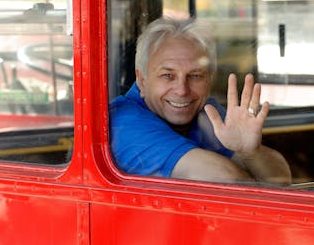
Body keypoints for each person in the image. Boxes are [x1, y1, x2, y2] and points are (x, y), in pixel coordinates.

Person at [110, 17, 291, 186]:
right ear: (142, 80)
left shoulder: (205, 111)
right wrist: (249, 169)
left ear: (209, 80)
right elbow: (228, 178)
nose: (182, 90)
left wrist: (251, 154)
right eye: (167, 75)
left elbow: (282, 180)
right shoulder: (123, 122)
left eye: (195, 76)